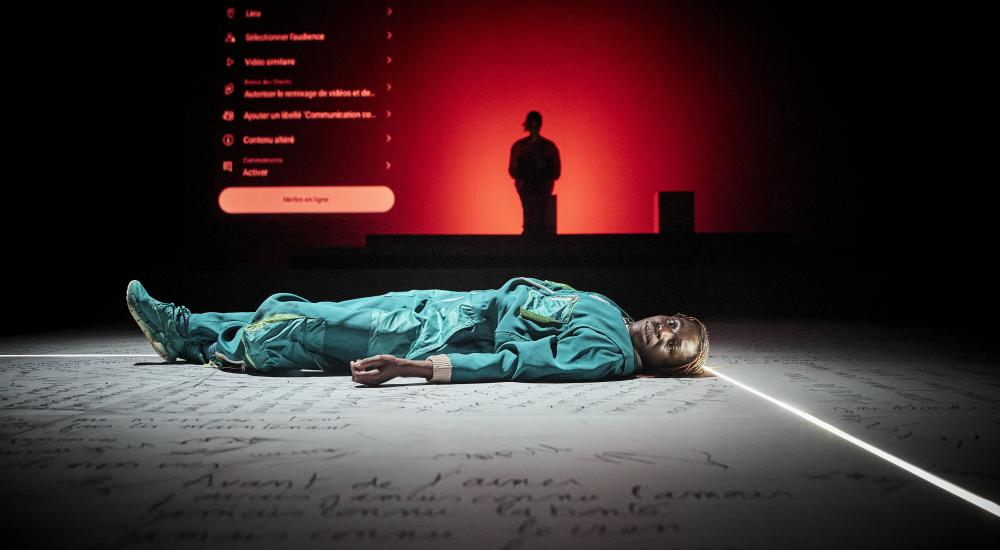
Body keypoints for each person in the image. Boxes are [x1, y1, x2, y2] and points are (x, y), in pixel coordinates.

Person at [126, 275, 709, 386]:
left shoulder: (605, 353)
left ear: (666, 365)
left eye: (672, 345)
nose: (666, 331)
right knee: (313, 312)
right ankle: (190, 330)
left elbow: (515, 364)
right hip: (443, 305)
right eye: (675, 324)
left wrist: (416, 369)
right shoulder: (612, 309)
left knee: (303, 324)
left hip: (431, 337)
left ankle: (187, 333)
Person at [509, 111, 561, 235]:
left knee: (537, 211)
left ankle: (535, 230)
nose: (533, 129)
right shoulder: (520, 146)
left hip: (541, 184)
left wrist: (541, 176)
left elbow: (556, 172)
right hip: (527, 184)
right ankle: (533, 229)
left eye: (535, 125)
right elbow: (513, 170)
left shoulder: (548, 147)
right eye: (531, 125)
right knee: (531, 210)